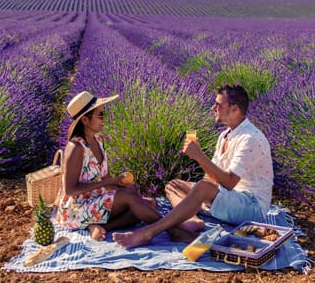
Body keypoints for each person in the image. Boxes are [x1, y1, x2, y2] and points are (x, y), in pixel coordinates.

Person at [113, 84, 274, 248]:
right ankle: (191, 220)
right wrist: (198, 178)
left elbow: (230, 182)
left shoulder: (250, 139)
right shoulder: (225, 135)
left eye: (218, 104)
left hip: (252, 206)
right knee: (174, 185)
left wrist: (199, 156)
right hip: (229, 197)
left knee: (202, 188)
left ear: (234, 109)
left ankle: (149, 232)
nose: (213, 108)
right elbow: (211, 178)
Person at [56, 91, 196, 243]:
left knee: (148, 204)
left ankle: (100, 226)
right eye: (100, 115)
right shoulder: (76, 147)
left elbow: (104, 176)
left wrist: (118, 183)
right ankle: (173, 230)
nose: (104, 119)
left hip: (94, 201)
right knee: (130, 199)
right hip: (76, 209)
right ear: (85, 120)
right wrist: (112, 184)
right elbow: (70, 190)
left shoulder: (98, 139)